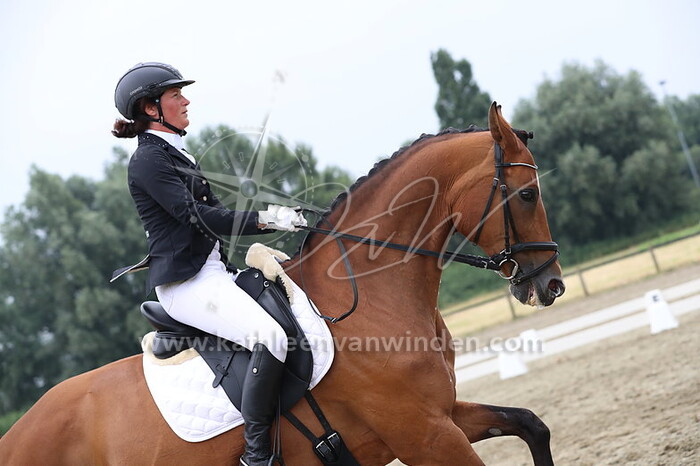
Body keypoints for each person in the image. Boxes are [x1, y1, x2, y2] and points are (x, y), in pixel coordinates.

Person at [112, 62, 305, 466]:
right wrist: (267, 218)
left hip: (215, 272)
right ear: (151, 108)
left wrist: (272, 222)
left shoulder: (176, 152)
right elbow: (198, 217)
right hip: (188, 285)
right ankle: (256, 455)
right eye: (176, 95)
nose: (186, 101)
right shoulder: (148, 160)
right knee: (269, 338)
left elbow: (218, 214)